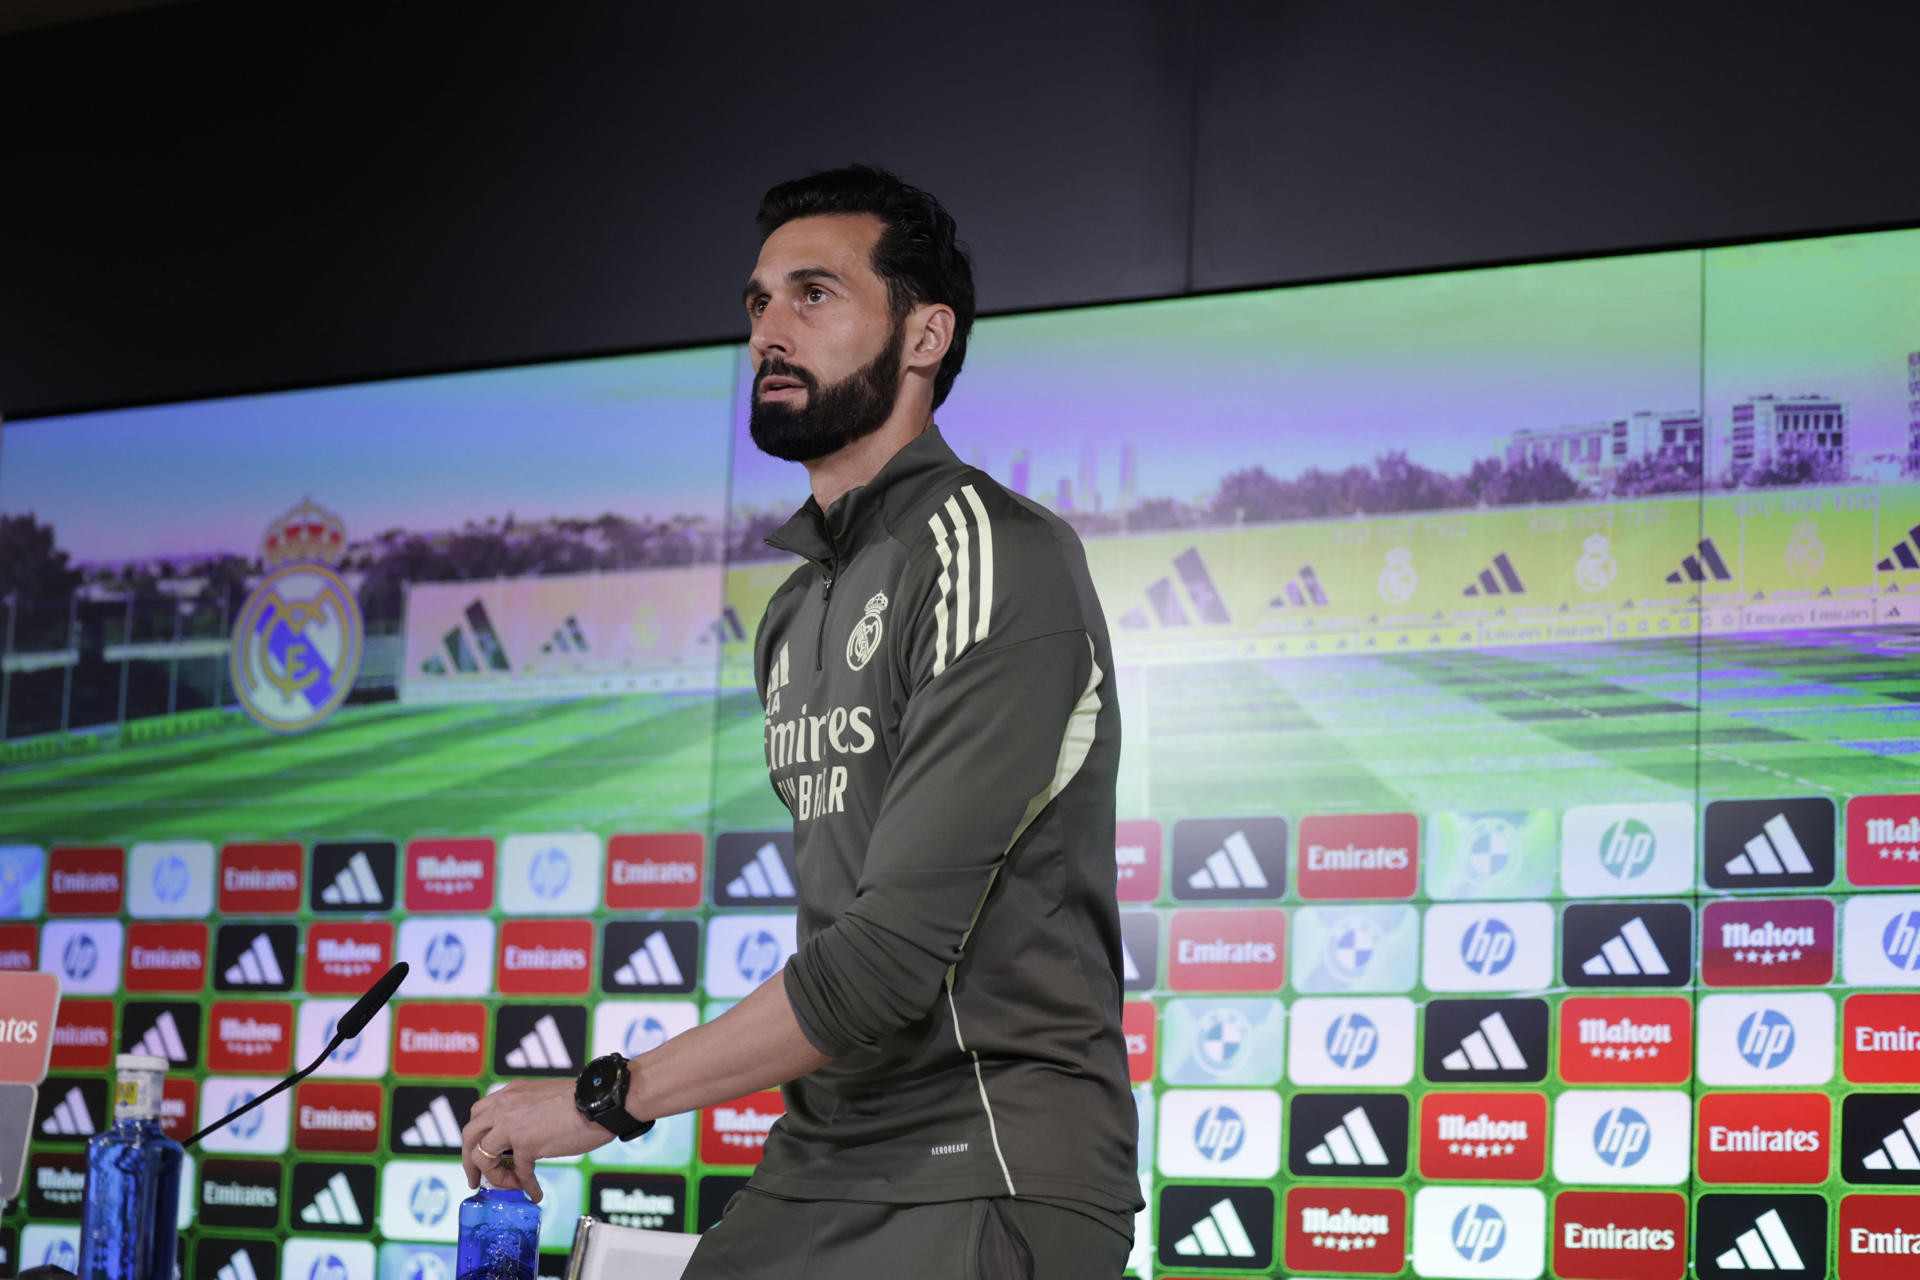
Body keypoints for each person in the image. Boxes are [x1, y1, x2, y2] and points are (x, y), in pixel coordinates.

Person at [462, 165, 1140, 1279]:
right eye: (758, 303)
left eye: (814, 295)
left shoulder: (995, 553)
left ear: (925, 335)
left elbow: (881, 962)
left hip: (988, 1153)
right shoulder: (795, 606)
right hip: (826, 1149)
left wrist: (606, 1097)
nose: (771, 329)